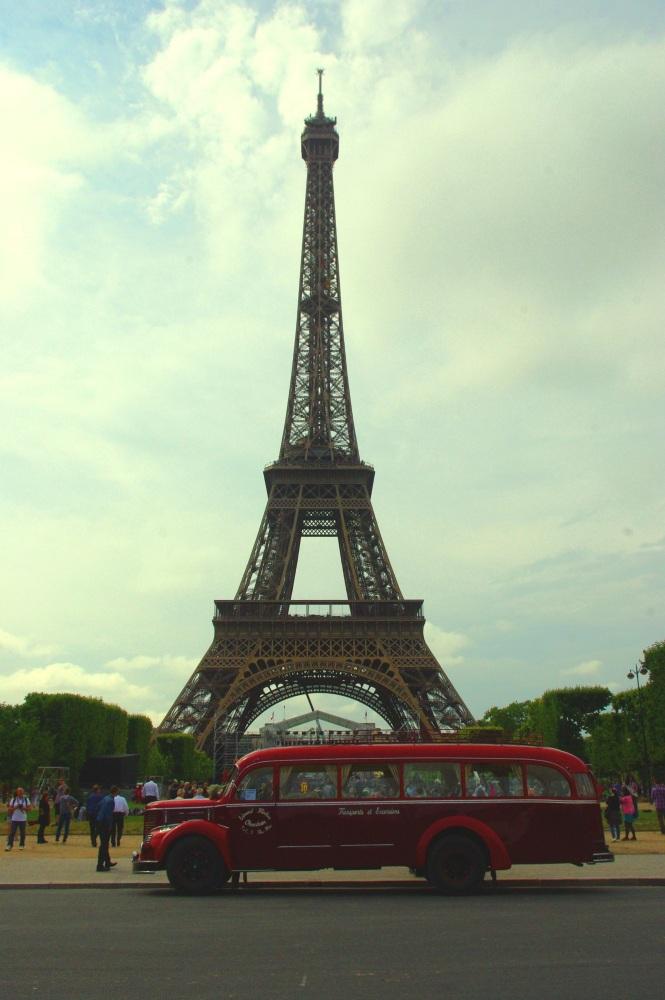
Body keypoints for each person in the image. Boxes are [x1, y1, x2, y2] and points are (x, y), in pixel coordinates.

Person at [95, 787, 117, 872]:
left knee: (104, 843)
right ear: (115, 792)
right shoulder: (111, 801)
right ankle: (99, 865)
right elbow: (109, 815)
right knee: (104, 845)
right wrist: (110, 826)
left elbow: (98, 806)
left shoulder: (105, 798)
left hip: (99, 821)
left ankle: (107, 861)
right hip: (105, 823)